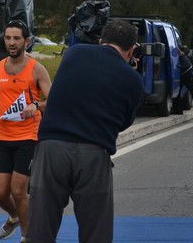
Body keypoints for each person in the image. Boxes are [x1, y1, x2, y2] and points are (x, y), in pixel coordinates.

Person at [26, 19, 143, 243]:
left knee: (40, 230)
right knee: (95, 232)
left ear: (101, 41)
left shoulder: (74, 53)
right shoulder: (133, 80)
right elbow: (124, 122)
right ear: (132, 50)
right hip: (94, 153)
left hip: (51, 149)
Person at [0, 20, 52, 242]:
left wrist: (36, 106)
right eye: (8, 38)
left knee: (19, 191)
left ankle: (27, 236)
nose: (11, 42)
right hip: (4, 137)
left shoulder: (37, 69)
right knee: (0, 193)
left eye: (17, 38)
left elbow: (56, 100)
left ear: (26, 41)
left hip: (29, 137)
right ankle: (14, 217)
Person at [172, 46, 193, 118]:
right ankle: (178, 110)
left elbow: (186, 50)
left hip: (185, 70)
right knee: (176, 90)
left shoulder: (174, 44)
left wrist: (182, 53)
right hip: (177, 71)